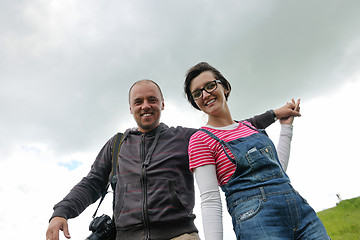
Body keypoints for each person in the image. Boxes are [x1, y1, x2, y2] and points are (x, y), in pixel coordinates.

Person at [46, 79, 301, 240]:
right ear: (131, 108)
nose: (146, 105)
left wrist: (275, 114)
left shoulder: (186, 138)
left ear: (162, 104)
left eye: (152, 100)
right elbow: (92, 183)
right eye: (139, 101)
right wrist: (61, 212)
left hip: (179, 235)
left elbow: (233, 129)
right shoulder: (117, 144)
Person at [183, 62, 330, 240]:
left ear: (225, 87)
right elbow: (210, 200)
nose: (205, 94)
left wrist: (286, 128)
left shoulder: (251, 128)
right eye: (197, 93)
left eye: (210, 86)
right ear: (196, 103)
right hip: (257, 220)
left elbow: (277, 170)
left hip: (302, 212)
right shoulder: (200, 140)